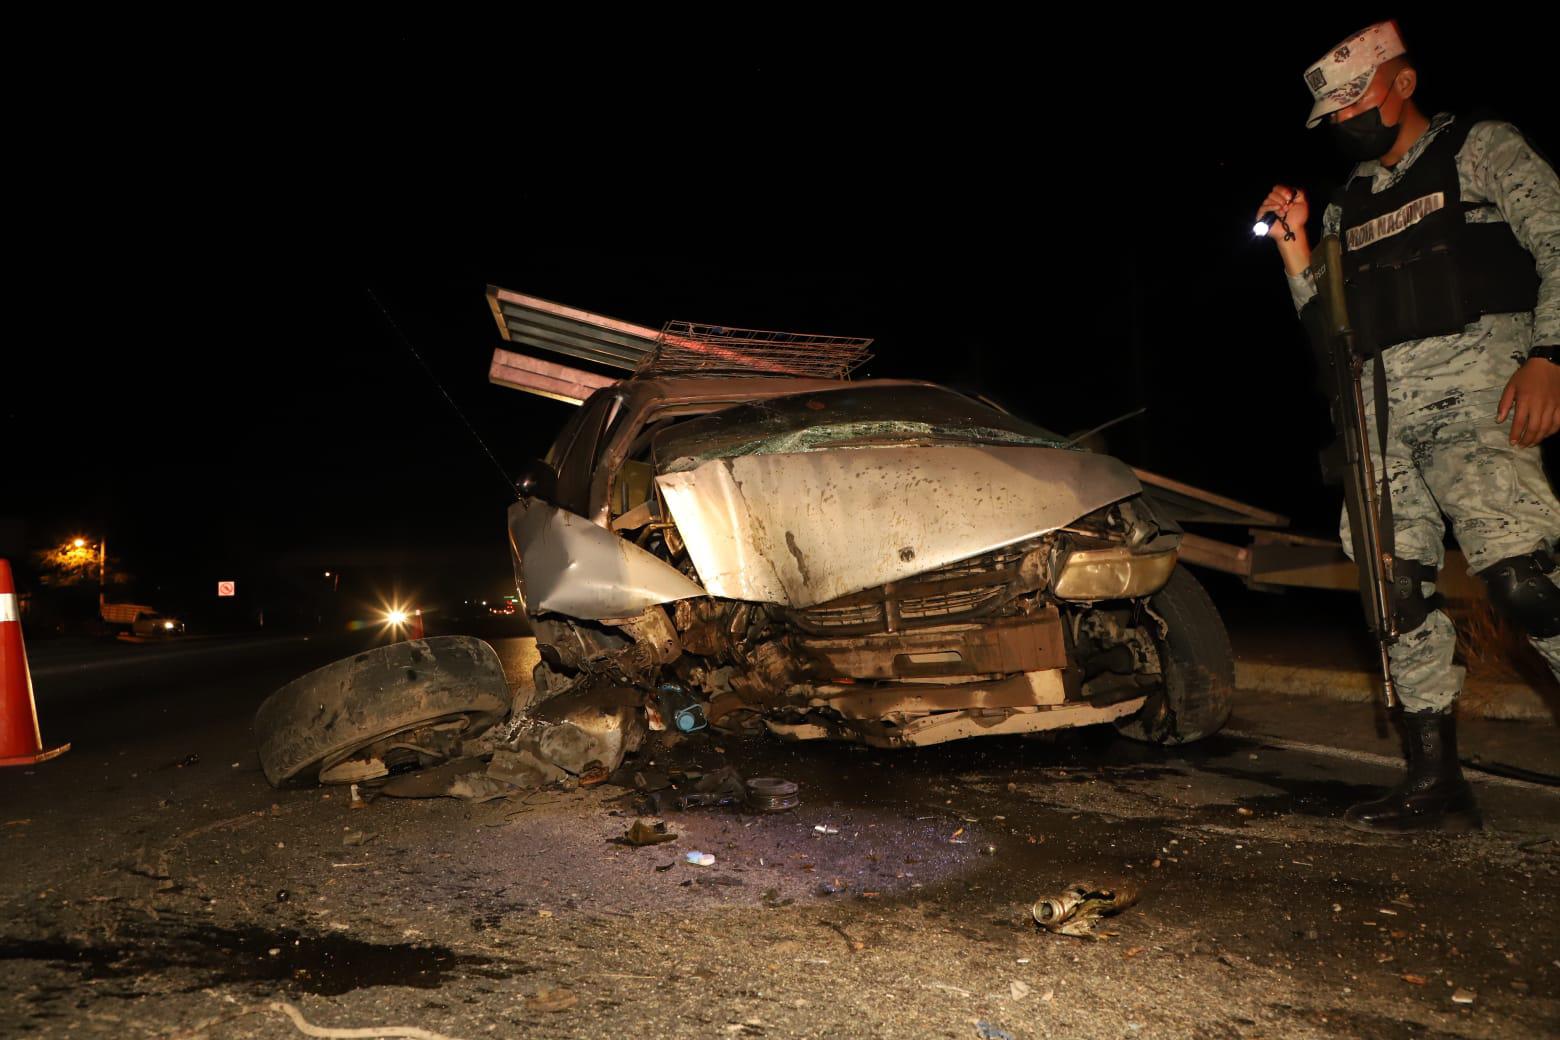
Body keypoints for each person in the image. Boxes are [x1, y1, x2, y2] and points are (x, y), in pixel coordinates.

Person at [1256, 19, 1560, 831]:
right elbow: (1332, 330)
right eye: (1334, 113)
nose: (1350, 118)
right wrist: (1294, 254)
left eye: (1358, 96)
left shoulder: (1481, 150)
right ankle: (1435, 782)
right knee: (1395, 594)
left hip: (1479, 399)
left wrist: (1551, 355)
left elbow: (1558, 239)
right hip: (1379, 419)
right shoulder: (1345, 205)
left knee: (1527, 583)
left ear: (1404, 81)